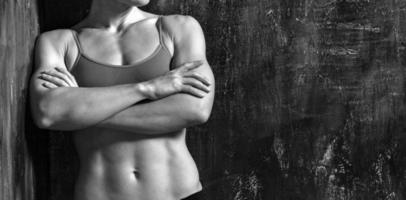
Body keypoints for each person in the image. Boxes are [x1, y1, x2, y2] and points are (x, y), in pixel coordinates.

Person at [29, 0, 215, 199]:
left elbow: (195, 109)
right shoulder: (59, 42)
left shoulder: (178, 28)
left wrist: (84, 112)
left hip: (179, 193)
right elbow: (48, 113)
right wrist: (146, 89)